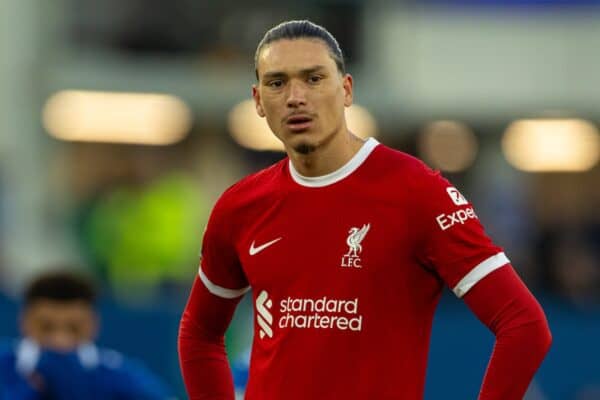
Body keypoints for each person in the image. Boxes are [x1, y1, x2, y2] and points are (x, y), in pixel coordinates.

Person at [178, 20, 552, 399]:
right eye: (277, 83)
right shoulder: (241, 206)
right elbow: (200, 333)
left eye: (313, 79)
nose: (295, 97)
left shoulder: (416, 191)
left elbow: (524, 325)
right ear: (258, 100)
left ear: (346, 90)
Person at [0, 270, 174, 400]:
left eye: (73, 328)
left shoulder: (115, 373)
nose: (60, 339)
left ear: (93, 325)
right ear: (25, 321)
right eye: (47, 328)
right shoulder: (4, 364)